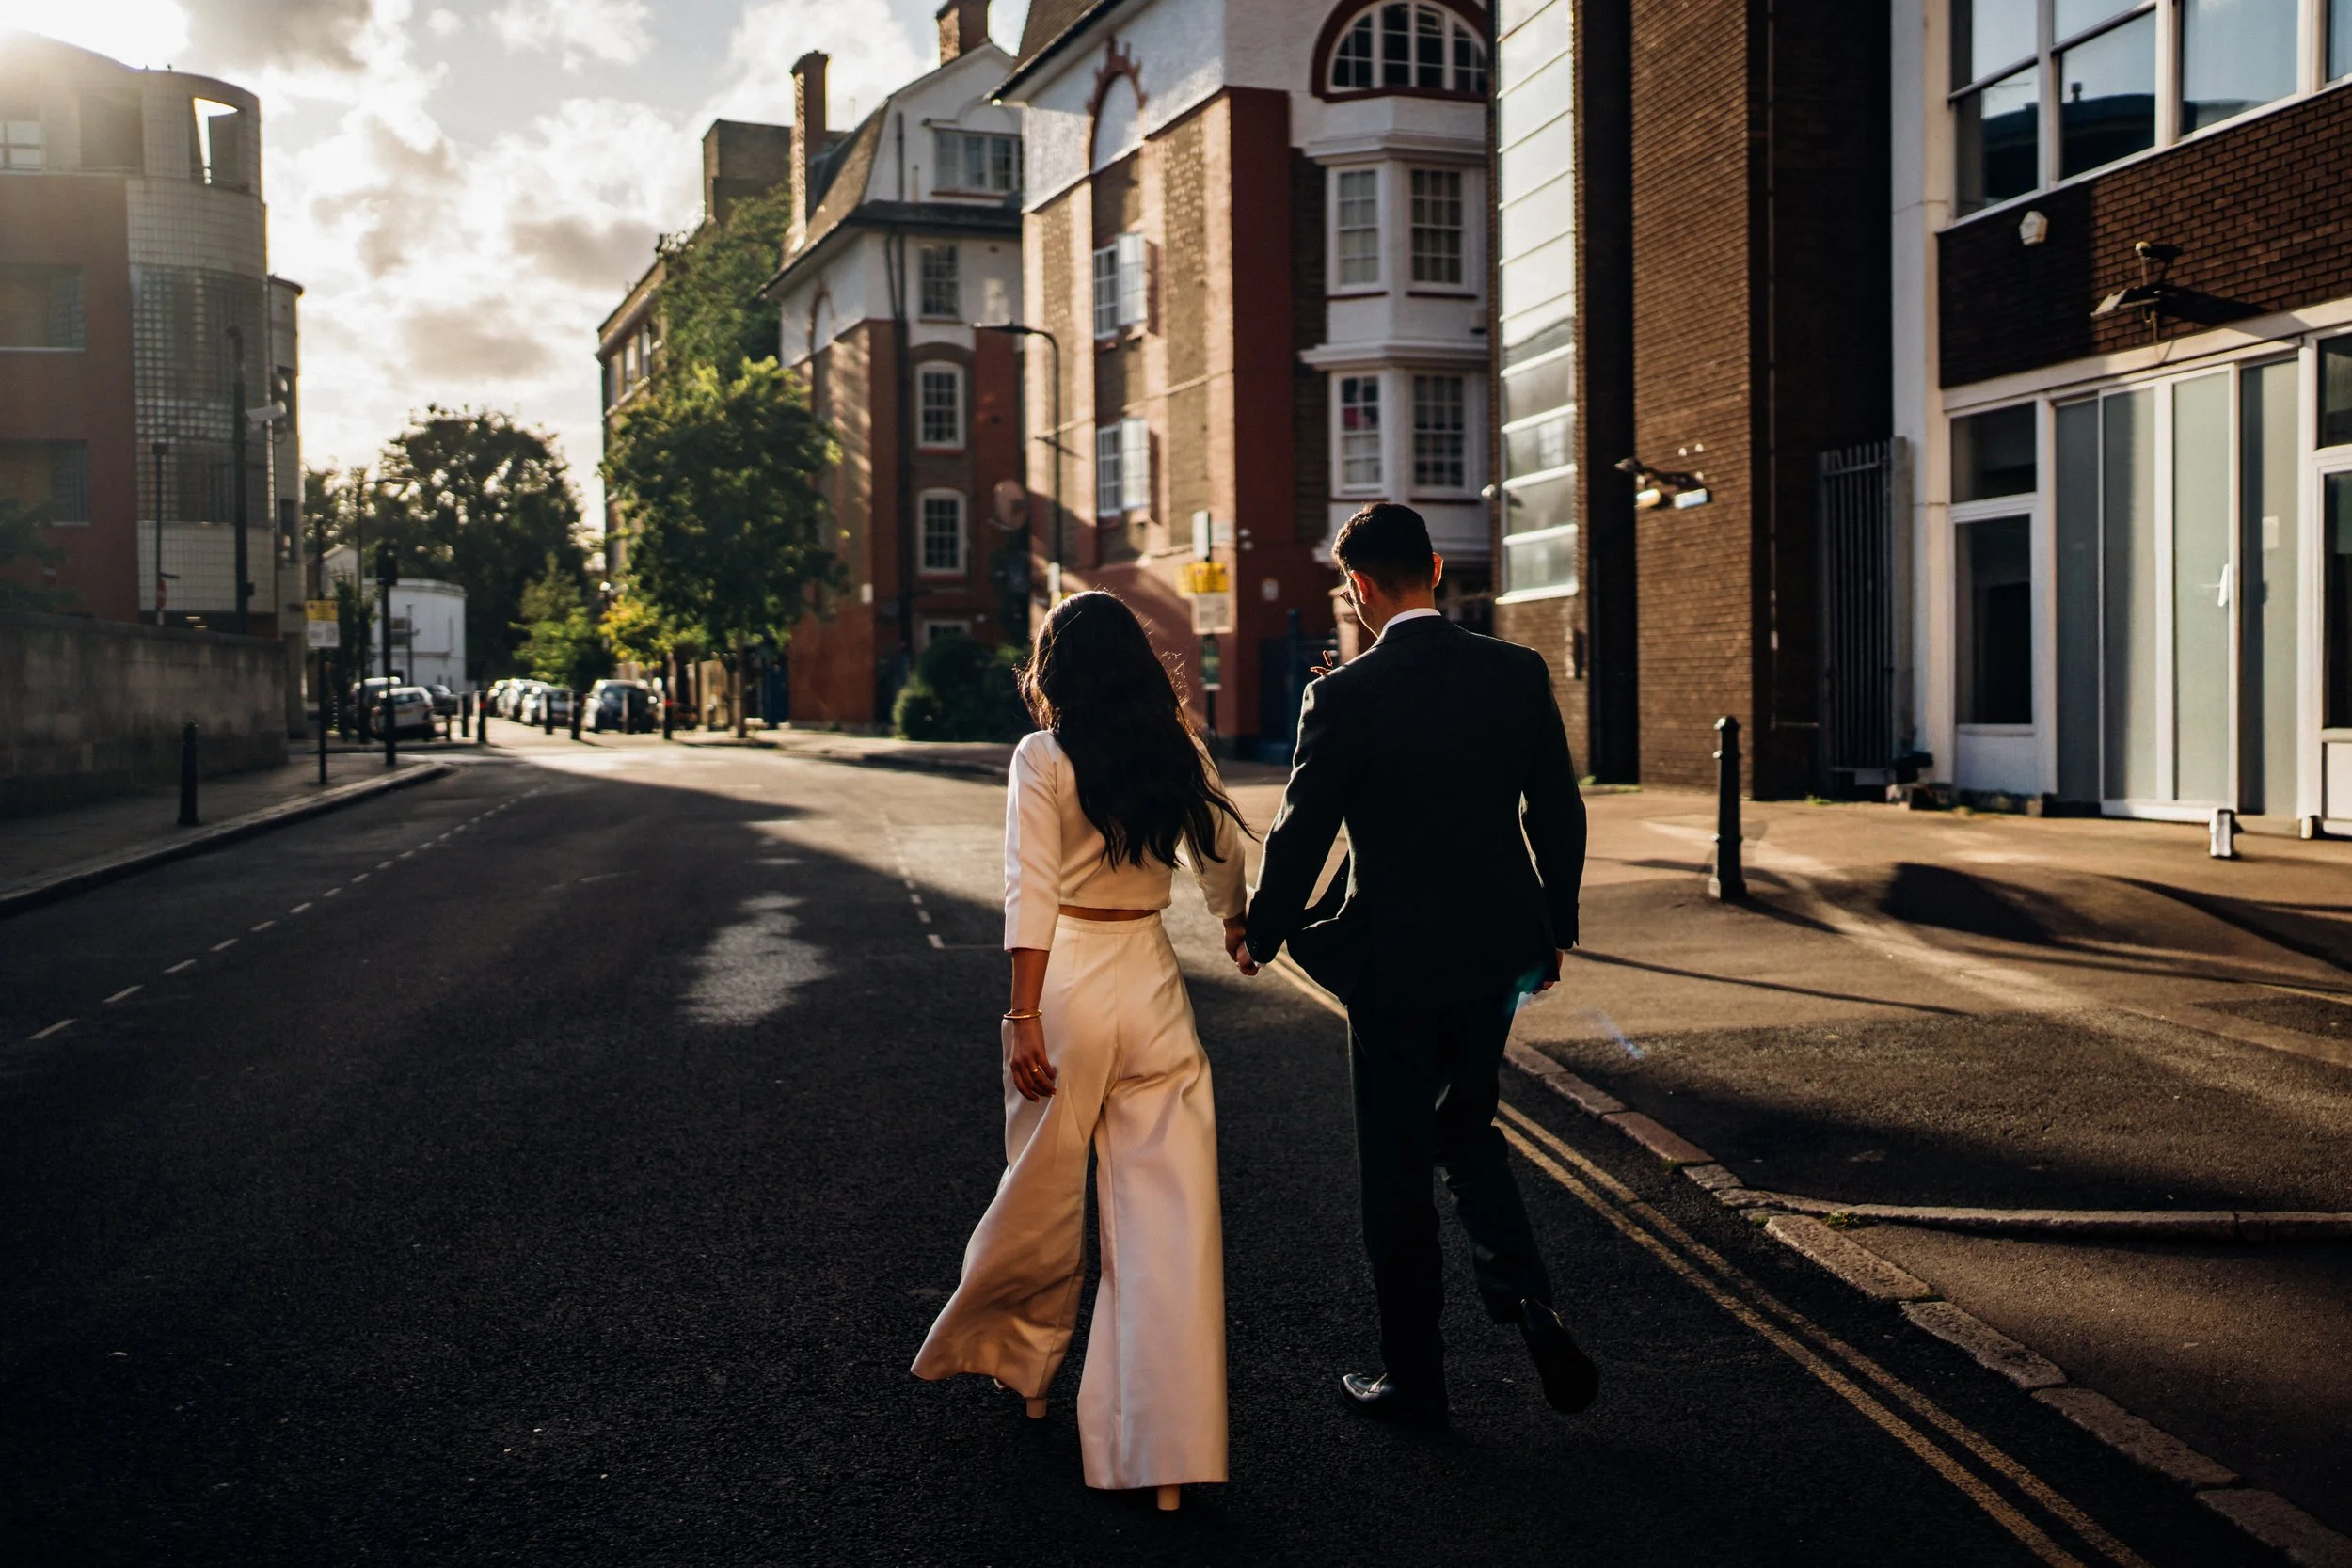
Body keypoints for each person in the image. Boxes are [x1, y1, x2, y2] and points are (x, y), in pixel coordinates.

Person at [1234, 501, 1597, 1428]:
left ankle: (1415, 1378)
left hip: (1393, 961)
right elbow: (1557, 808)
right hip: (1495, 948)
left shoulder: (1346, 694)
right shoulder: (1515, 670)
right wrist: (1554, 922)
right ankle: (1527, 1293)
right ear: (1434, 567)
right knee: (1467, 1124)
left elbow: (1301, 828)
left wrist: (1261, 930)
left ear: (1358, 587)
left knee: (1395, 1166)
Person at [913, 591, 1249, 1512]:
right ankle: (1165, 1456)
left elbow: (1026, 890)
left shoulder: (1041, 755)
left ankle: (1024, 1370)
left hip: (1064, 981)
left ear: (1053, 666)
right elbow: (1221, 847)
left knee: (1044, 1191)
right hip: (1149, 979)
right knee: (1167, 1225)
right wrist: (1233, 922)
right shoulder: (1174, 745)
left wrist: (1021, 1016)